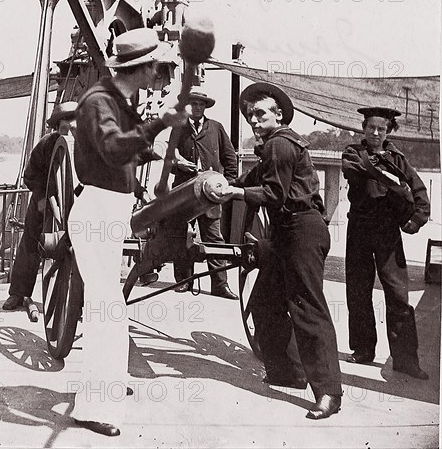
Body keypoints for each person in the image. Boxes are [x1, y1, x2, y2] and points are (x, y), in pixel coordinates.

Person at [68, 28, 187, 437]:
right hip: (96, 211)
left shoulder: (118, 100)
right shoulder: (98, 102)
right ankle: (93, 406)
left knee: (109, 310)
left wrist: (157, 146)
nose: (162, 79)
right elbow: (115, 148)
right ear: (143, 67)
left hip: (110, 210)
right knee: (108, 311)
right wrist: (157, 125)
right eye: (160, 71)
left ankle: (107, 388)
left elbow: (131, 148)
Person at [221, 82, 342, 420]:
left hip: (302, 229)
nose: (253, 121)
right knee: (265, 300)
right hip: (284, 233)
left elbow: (272, 195)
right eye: (249, 116)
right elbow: (249, 180)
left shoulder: (280, 144)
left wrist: (233, 193)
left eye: (259, 113)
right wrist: (217, 183)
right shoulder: (272, 147)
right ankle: (288, 372)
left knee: (307, 307)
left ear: (278, 114)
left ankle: (329, 392)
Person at [341, 107, 430, 379]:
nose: (375, 133)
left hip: (387, 231)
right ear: (363, 128)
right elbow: (356, 171)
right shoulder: (353, 153)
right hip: (359, 228)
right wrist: (395, 184)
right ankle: (363, 349)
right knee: (358, 290)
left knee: (397, 294)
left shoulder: (398, 159)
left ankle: (405, 360)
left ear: (389, 131)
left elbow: (419, 192)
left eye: (381, 129)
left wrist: (414, 220)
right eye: (371, 128)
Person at [2, 101, 77, 311]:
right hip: (44, 201)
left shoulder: (85, 144)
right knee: (30, 244)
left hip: (74, 204)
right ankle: (18, 293)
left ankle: (77, 299)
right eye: (66, 123)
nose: (71, 127)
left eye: (74, 122)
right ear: (57, 125)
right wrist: (42, 198)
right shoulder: (46, 144)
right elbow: (30, 175)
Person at [170, 91, 239, 299]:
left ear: (206, 107)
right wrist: (179, 163)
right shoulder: (178, 127)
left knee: (214, 238)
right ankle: (184, 281)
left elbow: (229, 157)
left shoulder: (216, 128)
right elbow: (167, 159)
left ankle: (220, 284)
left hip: (211, 195)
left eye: (201, 104)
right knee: (182, 235)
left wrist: (227, 183)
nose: (197, 107)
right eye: (193, 104)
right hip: (184, 191)